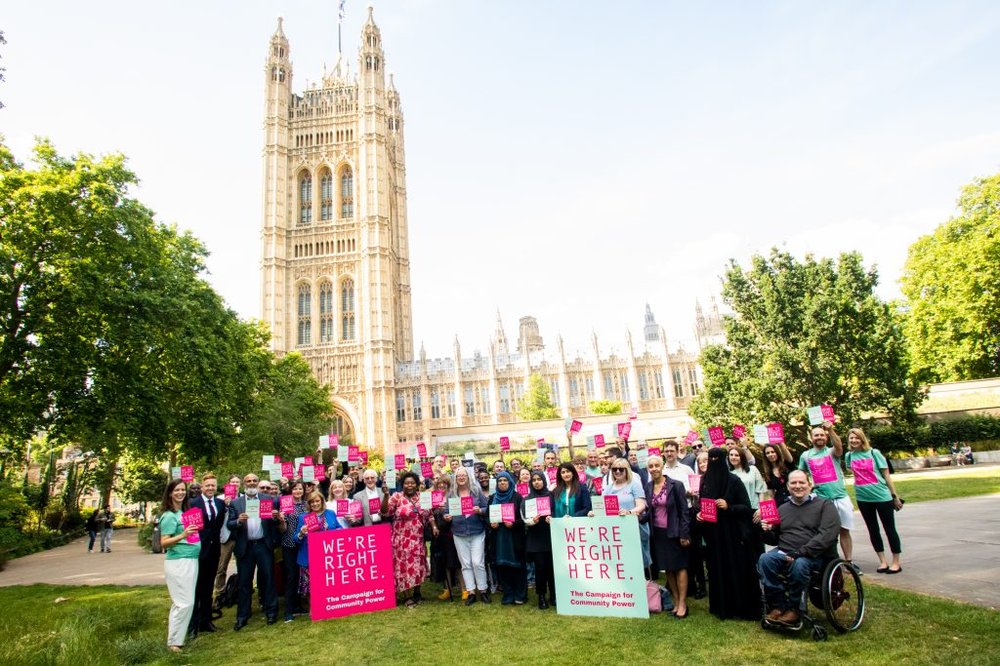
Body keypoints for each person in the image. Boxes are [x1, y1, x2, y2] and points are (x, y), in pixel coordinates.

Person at [758, 470, 840, 625]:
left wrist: (800, 553)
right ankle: (779, 605)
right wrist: (766, 530)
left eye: (801, 482)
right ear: (788, 487)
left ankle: (795, 609)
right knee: (765, 559)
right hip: (785, 551)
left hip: (814, 555)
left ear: (809, 485)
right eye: (793, 483)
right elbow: (775, 539)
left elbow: (826, 536)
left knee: (799, 564)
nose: (798, 486)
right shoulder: (782, 508)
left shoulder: (824, 505)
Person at [697, 447, 760, 621]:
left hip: (733, 534)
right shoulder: (705, 481)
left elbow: (746, 507)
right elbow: (702, 502)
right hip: (714, 535)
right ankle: (721, 606)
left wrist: (729, 506)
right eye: (712, 459)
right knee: (717, 569)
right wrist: (699, 513)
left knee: (736, 568)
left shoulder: (734, 480)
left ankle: (741, 607)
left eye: (718, 459)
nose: (714, 463)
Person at [845, 428, 903, 574]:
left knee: (890, 529)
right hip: (863, 498)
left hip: (882, 496)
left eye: (856, 438)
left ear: (862, 439)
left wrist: (894, 496)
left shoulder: (874, 453)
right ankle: (882, 561)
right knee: (873, 530)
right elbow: (853, 473)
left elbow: (886, 476)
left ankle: (896, 562)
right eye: (851, 438)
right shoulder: (849, 456)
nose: (854, 441)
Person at [226, 474, 280, 630]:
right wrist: (238, 521)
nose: (251, 483)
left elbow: (273, 523)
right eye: (248, 481)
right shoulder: (236, 503)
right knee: (244, 582)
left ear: (257, 483)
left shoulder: (268, 499)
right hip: (245, 547)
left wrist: (275, 517)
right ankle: (242, 615)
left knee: (269, 579)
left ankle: (271, 612)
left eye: (254, 481)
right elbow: (229, 524)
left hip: (263, 545)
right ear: (244, 483)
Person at [798, 422, 853, 562]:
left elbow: (839, 447)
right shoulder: (805, 455)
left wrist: (830, 429)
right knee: (825, 532)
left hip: (841, 497)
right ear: (811, 438)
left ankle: (849, 562)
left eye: (822, 435)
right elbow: (801, 474)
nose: (819, 437)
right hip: (821, 500)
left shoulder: (831, 452)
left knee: (844, 530)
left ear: (826, 437)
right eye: (816, 435)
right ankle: (830, 561)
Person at [645, 455, 691, 618]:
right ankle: (676, 601)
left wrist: (684, 534)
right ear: (648, 469)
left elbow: (684, 511)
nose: (654, 469)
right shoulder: (648, 486)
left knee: (679, 567)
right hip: (658, 534)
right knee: (668, 568)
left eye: (657, 465)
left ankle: (683, 603)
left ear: (662, 466)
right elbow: (649, 511)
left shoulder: (675, 485)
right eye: (651, 466)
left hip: (675, 532)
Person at [382, 471, 435, 607]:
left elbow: (429, 515)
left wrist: (434, 526)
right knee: (403, 568)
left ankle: (417, 592)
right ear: (402, 484)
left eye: (412, 483)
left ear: (416, 484)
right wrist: (386, 496)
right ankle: (407, 596)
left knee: (419, 566)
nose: (409, 485)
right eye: (406, 483)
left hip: (418, 538)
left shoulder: (423, 497)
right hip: (401, 539)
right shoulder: (396, 497)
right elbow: (384, 512)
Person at [158, 480, 200, 653]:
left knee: (186, 602)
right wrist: (183, 534)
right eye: (177, 490)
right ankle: (173, 642)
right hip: (178, 561)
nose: (180, 493)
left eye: (183, 490)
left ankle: (177, 639)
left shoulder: (185, 512)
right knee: (184, 602)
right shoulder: (169, 516)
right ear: (170, 493)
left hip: (191, 559)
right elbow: (164, 542)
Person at [445, 466, 490, 605]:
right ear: (455, 478)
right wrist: (446, 516)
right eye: (459, 476)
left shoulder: (476, 492)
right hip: (459, 532)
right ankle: (471, 591)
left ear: (468, 476)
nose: (461, 477)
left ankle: (483, 590)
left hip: (477, 531)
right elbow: (446, 511)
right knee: (465, 564)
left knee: (477, 562)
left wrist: (480, 510)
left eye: (464, 475)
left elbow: (487, 507)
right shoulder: (451, 495)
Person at [188, 473, 226, 635]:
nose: (210, 488)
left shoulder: (220, 503)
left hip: (214, 549)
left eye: (213, 485)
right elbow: (190, 529)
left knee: (208, 586)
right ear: (202, 487)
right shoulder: (193, 504)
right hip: (198, 549)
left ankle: (206, 619)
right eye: (207, 486)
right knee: (196, 586)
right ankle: (193, 622)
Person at [293, 490, 342, 603]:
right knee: (311, 584)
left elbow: (340, 528)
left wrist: (335, 531)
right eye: (312, 502)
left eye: (317, 501)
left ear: (322, 501)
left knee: (328, 582)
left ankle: (331, 604)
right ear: (309, 504)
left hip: (328, 554)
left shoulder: (330, 513)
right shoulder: (303, 517)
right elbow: (296, 539)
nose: (315, 504)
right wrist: (301, 533)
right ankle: (314, 607)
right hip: (310, 555)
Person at [489, 471, 527, 605]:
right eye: (500, 481)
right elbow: (488, 518)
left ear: (510, 482)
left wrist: (513, 524)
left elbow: (523, 519)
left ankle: (520, 594)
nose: (502, 483)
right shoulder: (492, 498)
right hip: (499, 538)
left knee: (517, 566)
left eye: (505, 480)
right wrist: (491, 524)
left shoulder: (517, 498)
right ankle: (508, 593)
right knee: (502, 566)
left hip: (514, 538)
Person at [523, 470, 555, 609]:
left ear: (544, 480)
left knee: (552, 569)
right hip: (536, 538)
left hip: (551, 536)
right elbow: (524, 518)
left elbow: (557, 511)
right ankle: (541, 596)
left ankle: (554, 595)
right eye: (534, 480)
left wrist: (552, 518)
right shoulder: (527, 499)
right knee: (540, 568)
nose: (536, 482)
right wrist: (532, 521)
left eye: (539, 479)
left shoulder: (551, 496)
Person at [728, 447, 767, 557]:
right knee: (744, 542)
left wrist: (761, 509)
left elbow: (761, 490)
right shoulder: (728, 474)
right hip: (738, 512)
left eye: (736, 455)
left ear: (742, 456)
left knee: (757, 541)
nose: (734, 457)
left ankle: (761, 568)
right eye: (731, 455)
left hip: (754, 511)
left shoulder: (752, 469)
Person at [277, 480, 307, 621]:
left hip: (304, 545)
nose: (297, 491)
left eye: (300, 489)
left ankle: (298, 605)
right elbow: (282, 530)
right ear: (291, 490)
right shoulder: (286, 505)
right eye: (295, 489)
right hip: (289, 545)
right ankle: (288, 611)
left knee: (302, 576)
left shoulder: (308, 505)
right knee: (291, 577)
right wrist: (282, 521)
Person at [429, 475, 461, 600]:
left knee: (456, 562)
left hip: (451, 534)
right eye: (439, 485)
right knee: (443, 562)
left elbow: (458, 512)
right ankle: (447, 589)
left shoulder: (453, 497)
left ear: (448, 485)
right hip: (438, 535)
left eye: (444, 484)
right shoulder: (433, 498)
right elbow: (428, 514)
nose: (441, 486)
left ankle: (464, 589)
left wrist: (447, 510)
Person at [213, 474, 242, 610]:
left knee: (242, 566)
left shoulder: (243, 498)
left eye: (237, 482)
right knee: (221, 567)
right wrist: (224, 506)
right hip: (226, 537)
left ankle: (237, 591)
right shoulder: (219, 499)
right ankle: (219, 594)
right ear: (228, 484)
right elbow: (215, 518)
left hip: (241, 536)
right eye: (233, 482)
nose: (235, 484)